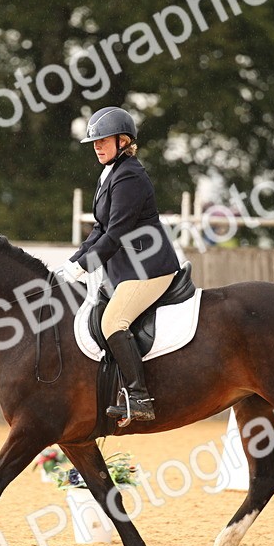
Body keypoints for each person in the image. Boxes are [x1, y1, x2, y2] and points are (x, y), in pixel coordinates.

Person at [59, 106, 180, 421]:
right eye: (94, 142)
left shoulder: (130, 176)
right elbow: (99, 228)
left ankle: (139, 397)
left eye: (103, 140)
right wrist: (72, 262)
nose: (97, 146)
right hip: (127, 270)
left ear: (123, 141)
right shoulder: (110, 173)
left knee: (112, 322)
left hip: (150, 269)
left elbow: (114, 235)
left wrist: (83, 267)